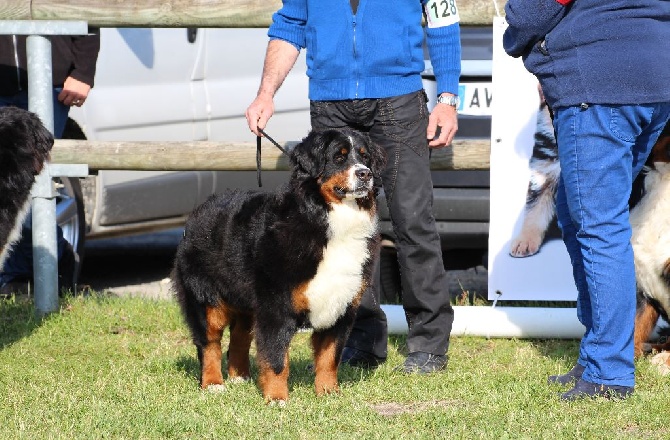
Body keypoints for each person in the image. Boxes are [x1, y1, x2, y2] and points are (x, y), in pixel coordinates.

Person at [246, 1, 461, 374]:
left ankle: (429, 345)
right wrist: (266, 92)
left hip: (397, 101)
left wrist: (447, 98)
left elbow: (444, 19)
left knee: (413, 222)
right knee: (337, 233)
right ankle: (361, 339)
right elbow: (290, 24)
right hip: (330, 102)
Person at [503, 0, 670, 400]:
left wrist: (519, 37)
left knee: (597, 224)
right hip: (654, 78)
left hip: (599, 82)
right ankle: (598, 353)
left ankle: (607, 373)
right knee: (579, 216)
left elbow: (532, 10)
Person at [0, 30, 100, 295]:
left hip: (51, 81)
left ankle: (46, 271)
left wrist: (83, 71)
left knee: (29, 189)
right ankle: (20, 278)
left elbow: (85, 11)